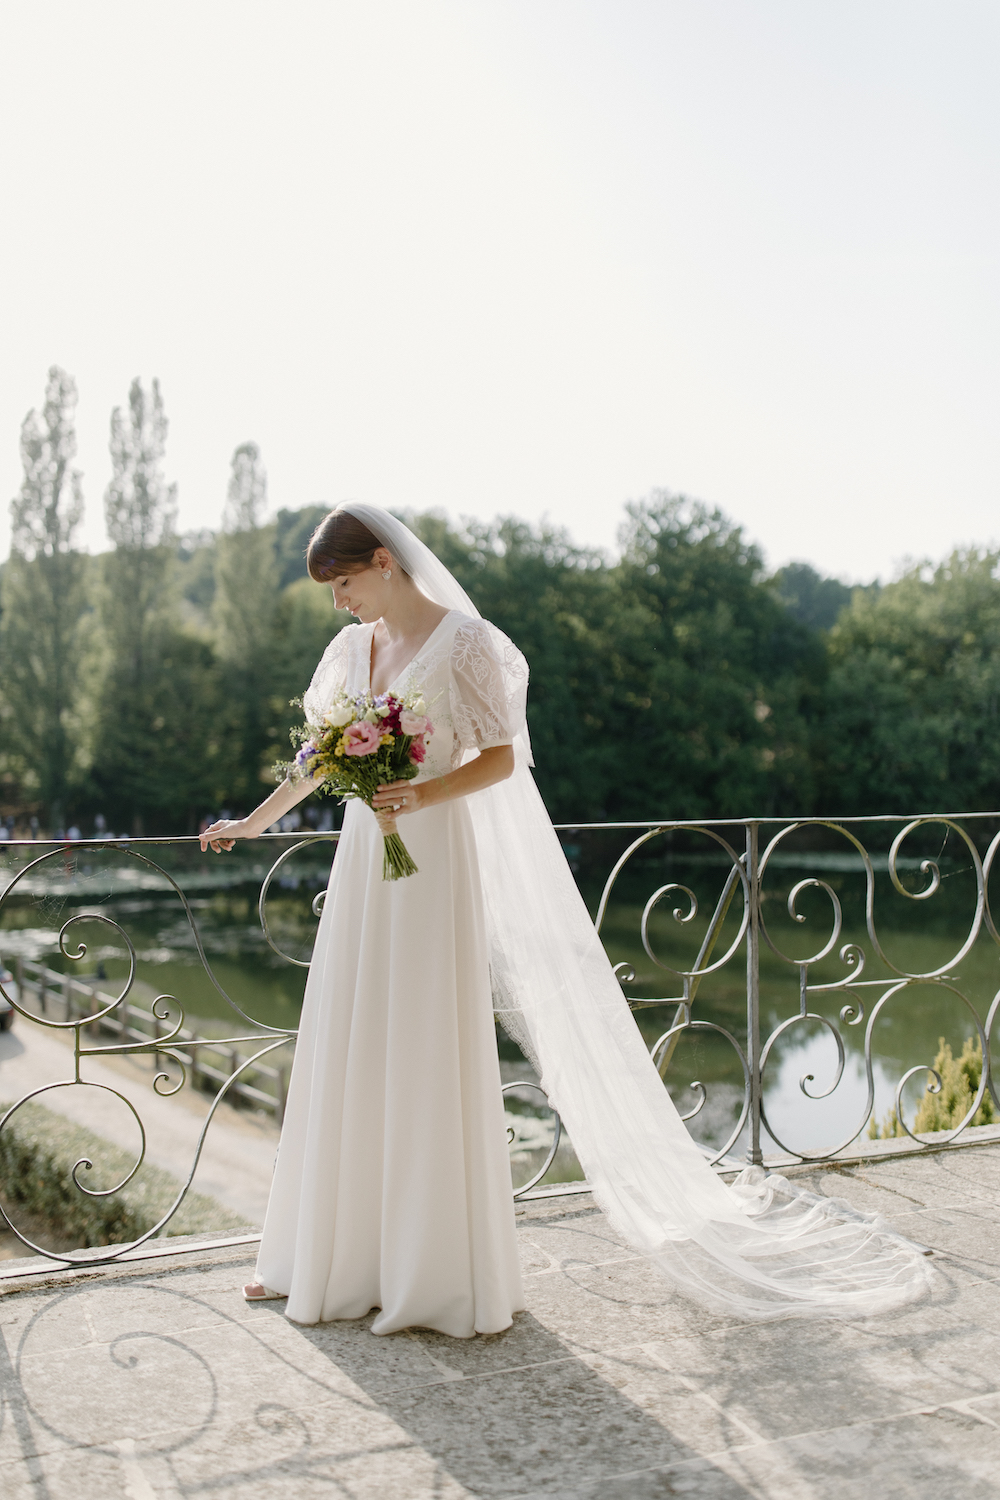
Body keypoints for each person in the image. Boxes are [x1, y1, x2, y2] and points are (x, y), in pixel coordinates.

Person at [202, 502, 935, 1335]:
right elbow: (317, 757)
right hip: (367, 860)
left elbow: (503, 757)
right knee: (349, 1039)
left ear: (382, 560)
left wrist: (422, 791)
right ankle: (321, 1258)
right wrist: (252, 824)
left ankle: (427, 1270)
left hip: (433, 856)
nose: (338, 603)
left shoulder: (467, 643)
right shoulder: (349, 651)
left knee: (420, 1044)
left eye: (342, 583)